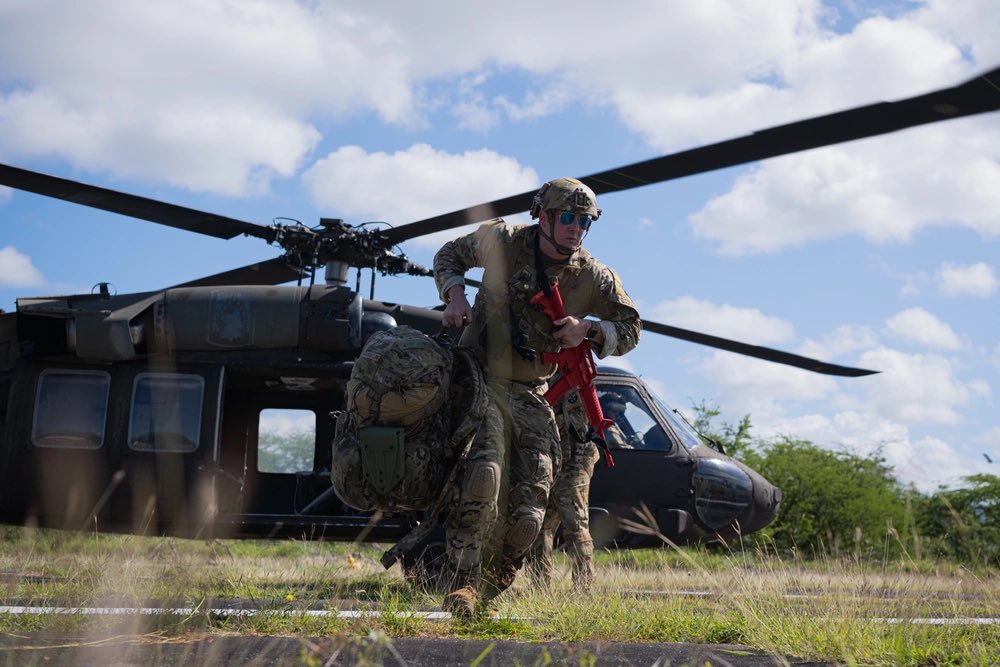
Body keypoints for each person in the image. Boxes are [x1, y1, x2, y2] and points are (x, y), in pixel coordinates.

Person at [433, 177, 641, 616]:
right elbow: (449, 255)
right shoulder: (504, 241)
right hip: (480, 376)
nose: (575, 228)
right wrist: (454, 296)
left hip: (532, 390)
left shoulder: (594, 276)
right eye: (567, 217)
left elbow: (631, 328)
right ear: (542, 216)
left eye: (585, 221)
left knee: (534, 501)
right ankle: (461, 580)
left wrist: (588, 328)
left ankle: (487, 588)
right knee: (485, 472)